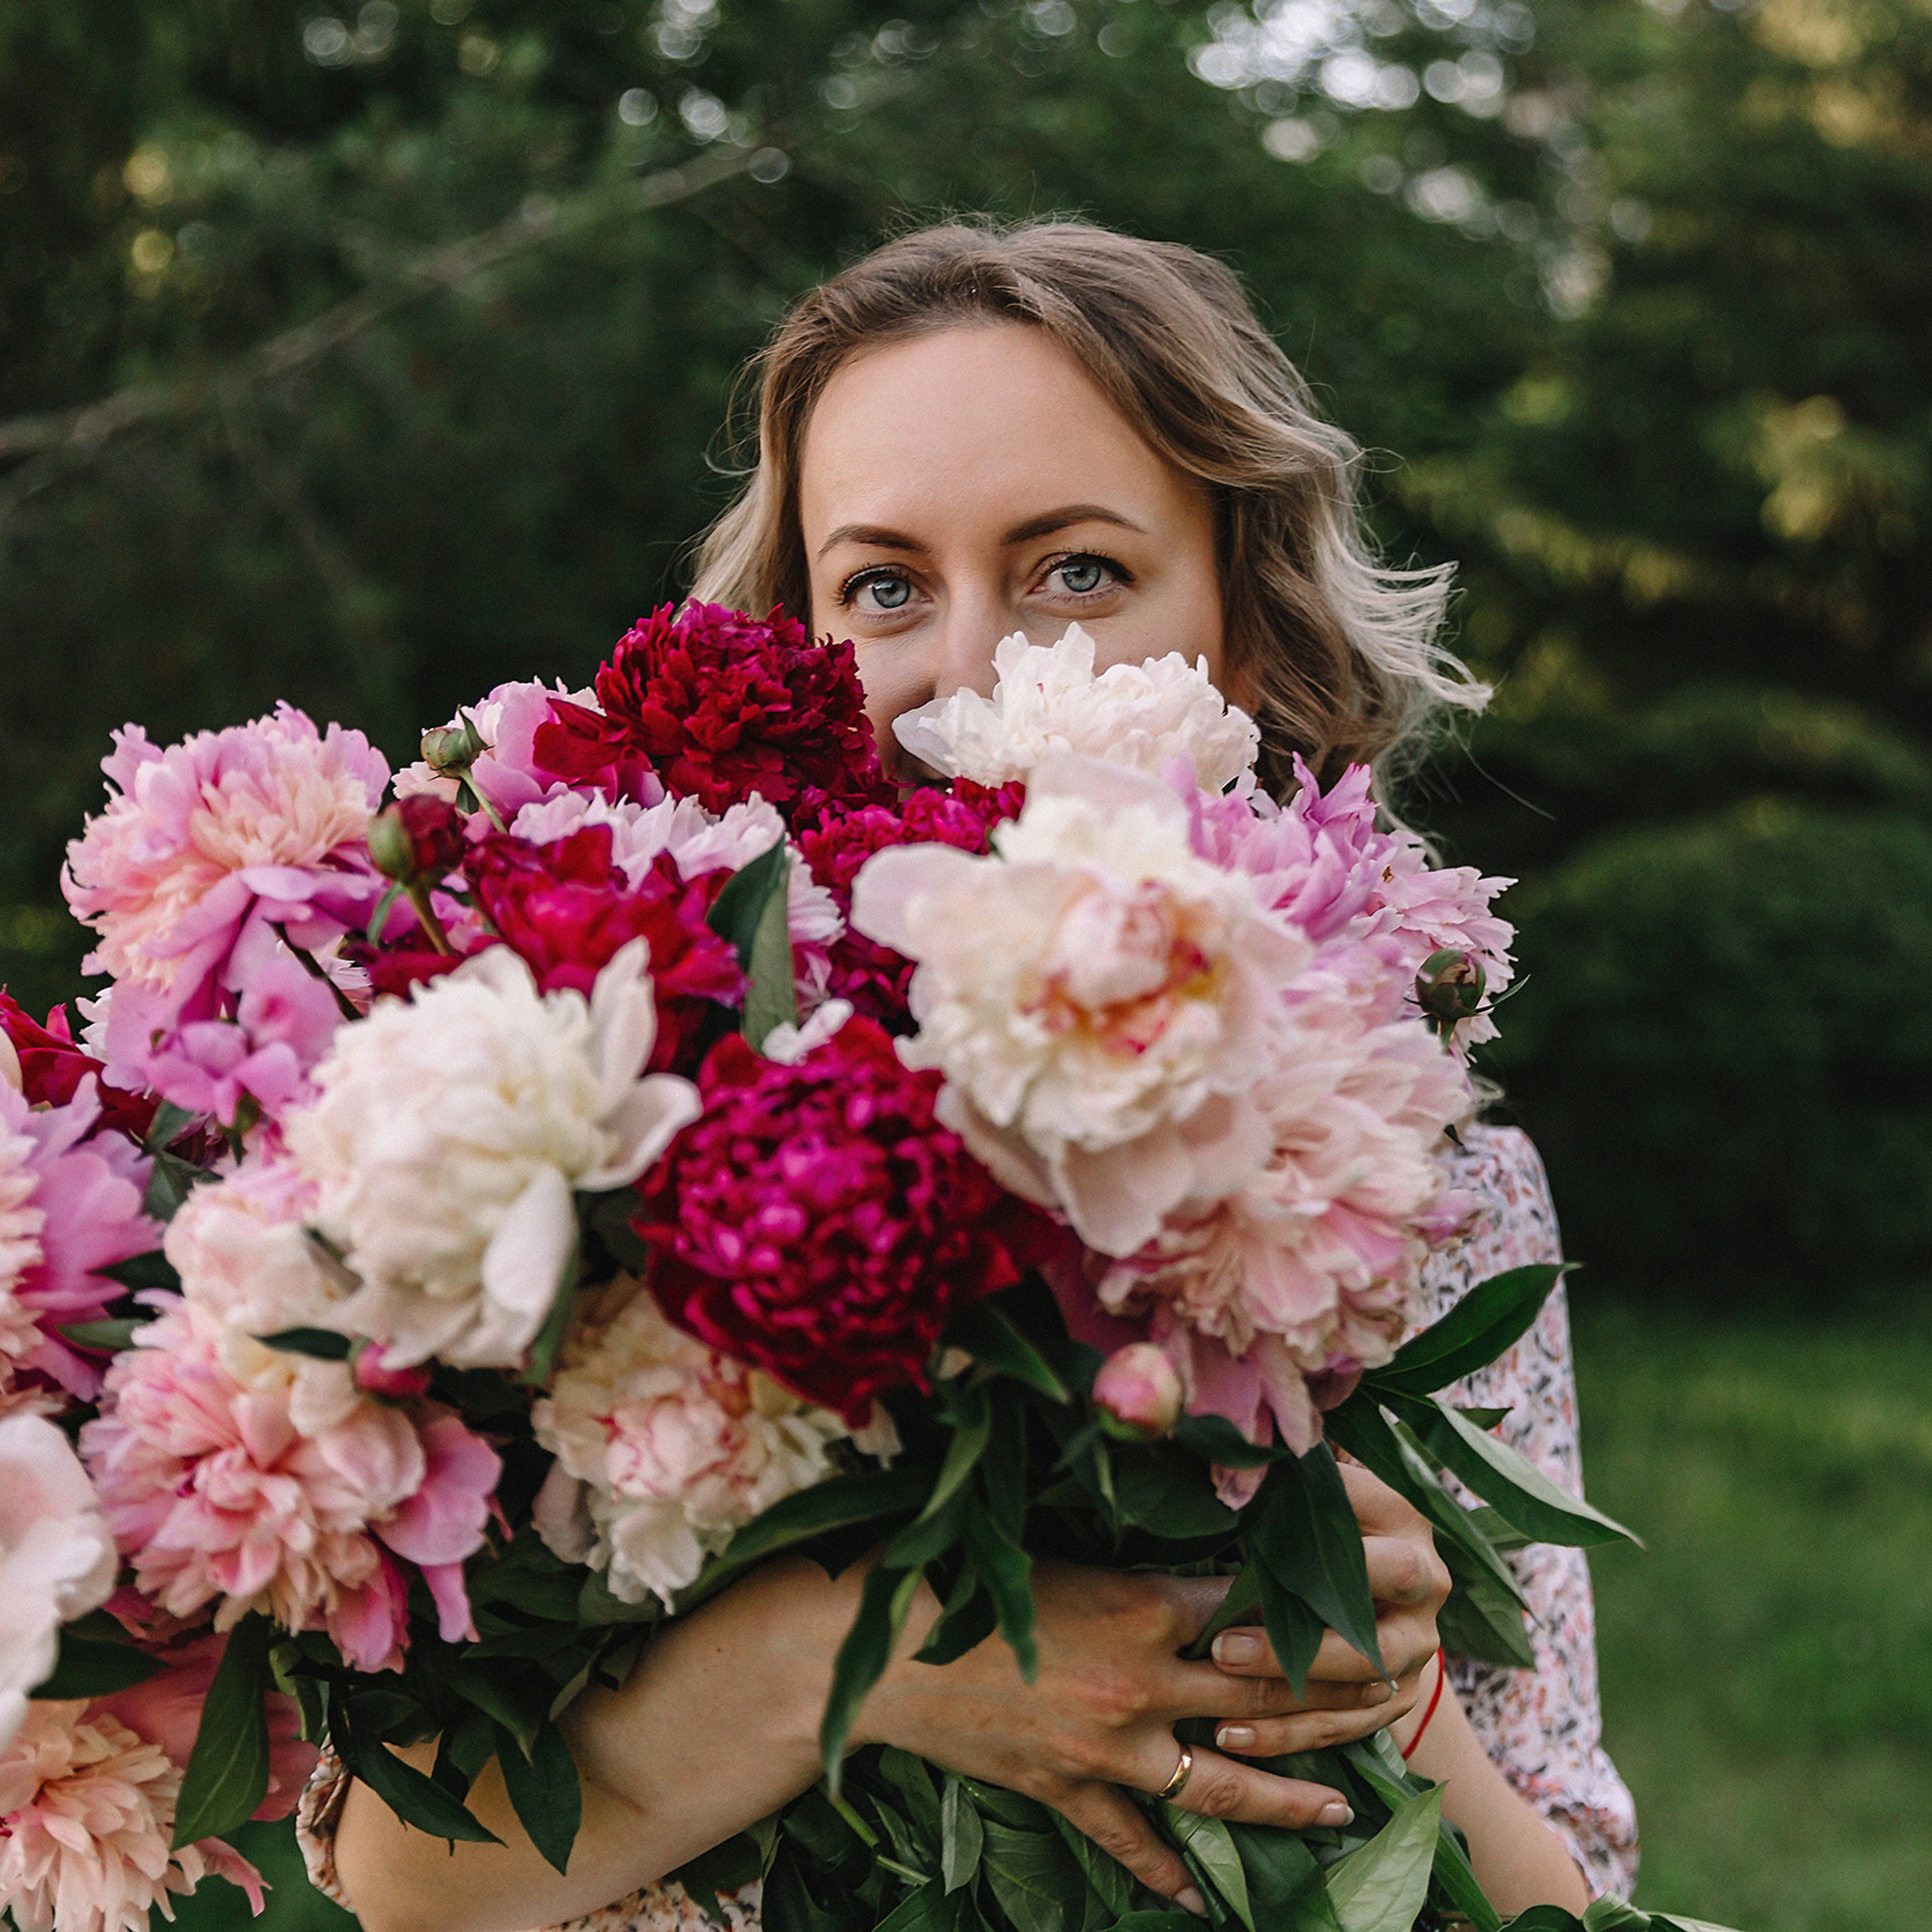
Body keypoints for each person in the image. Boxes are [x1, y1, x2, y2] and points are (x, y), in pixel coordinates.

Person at [309, 220, 1635, 1932]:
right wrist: (863, 1660)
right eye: (882, 587)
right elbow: (389, 1870)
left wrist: (1378, 1666)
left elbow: (1573, 1897)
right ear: (786, 647)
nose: (967, 675)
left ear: (1241, 616)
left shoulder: (1413, 1175)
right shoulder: (586, 1118)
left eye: (1074, 569)